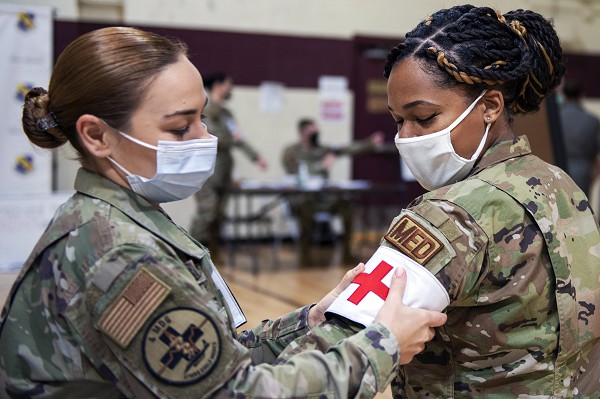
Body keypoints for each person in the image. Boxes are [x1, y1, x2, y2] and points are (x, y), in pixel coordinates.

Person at [0, 27, 448, 398]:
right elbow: (235, 393)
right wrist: (382, 346)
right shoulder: (118, 254)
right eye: (180, 127)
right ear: (97, 136)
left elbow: (211, 359)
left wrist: (309, 319)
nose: (203, 137)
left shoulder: (121, 220)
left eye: (202, 117)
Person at [280, 5, 600, 398]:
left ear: (490, 106)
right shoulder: (562, 186)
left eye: (425, 117)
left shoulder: (448, 215)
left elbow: (330, 357)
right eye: (398, 121)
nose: (408, 138)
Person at [282, 118, 384, 265]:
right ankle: (305, 256)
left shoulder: (322, 149)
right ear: (302, 133)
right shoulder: (291, 152)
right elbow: (296, 171)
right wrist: (321, 166)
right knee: (305, 205)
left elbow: (347, 149)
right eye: (311, 132)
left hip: (323, 199)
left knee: (346, 203)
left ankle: (346, 254)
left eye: (316, 131)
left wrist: (370, 143)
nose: (315, 134)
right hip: (302, 199)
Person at [190, 71, 267, 262]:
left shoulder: (226, 113)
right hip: (206, 171)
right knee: (207, 212)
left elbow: (238, 138)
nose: (230, 88)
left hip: (223, 171)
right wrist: (232, 138)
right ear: (218, 86)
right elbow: (214, 137)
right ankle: (190, 254)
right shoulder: (205, 109)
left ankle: (213, 255)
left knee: (219, 214)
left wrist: (255, 157)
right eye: (228, 84)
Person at [559, 78, 600, 196]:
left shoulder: (556, 119)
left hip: (557, 168)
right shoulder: (591, 120)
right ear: (581, 96)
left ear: (564, 96)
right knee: (582, 208)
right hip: (584, 172)